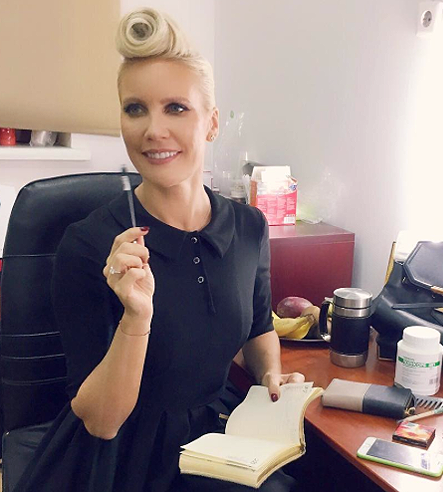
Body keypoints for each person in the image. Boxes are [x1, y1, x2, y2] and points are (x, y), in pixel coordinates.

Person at [13, 8, 304, 492]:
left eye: (176, 108)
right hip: (120, 459)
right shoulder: (89, 244)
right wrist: (136, 317)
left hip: (215, 443)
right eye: (135, 109)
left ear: (211, 123)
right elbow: (101, 421)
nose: (153, 129)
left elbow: (258, 329)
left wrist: (272, 376)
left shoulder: (249, 227)